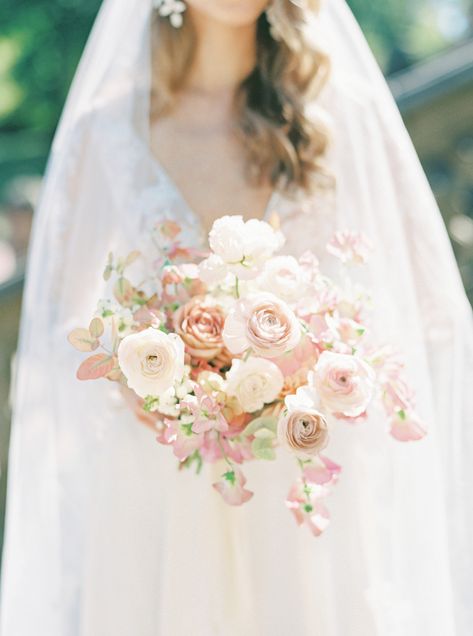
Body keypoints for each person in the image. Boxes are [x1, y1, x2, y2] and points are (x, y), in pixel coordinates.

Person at [1, 1, 472, 634]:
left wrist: (326, 359)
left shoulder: (343, 114)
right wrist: (136, 380)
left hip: (307, 498)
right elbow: (58, 327)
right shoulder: (106, 128)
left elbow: (427, 310)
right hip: (155, 490)